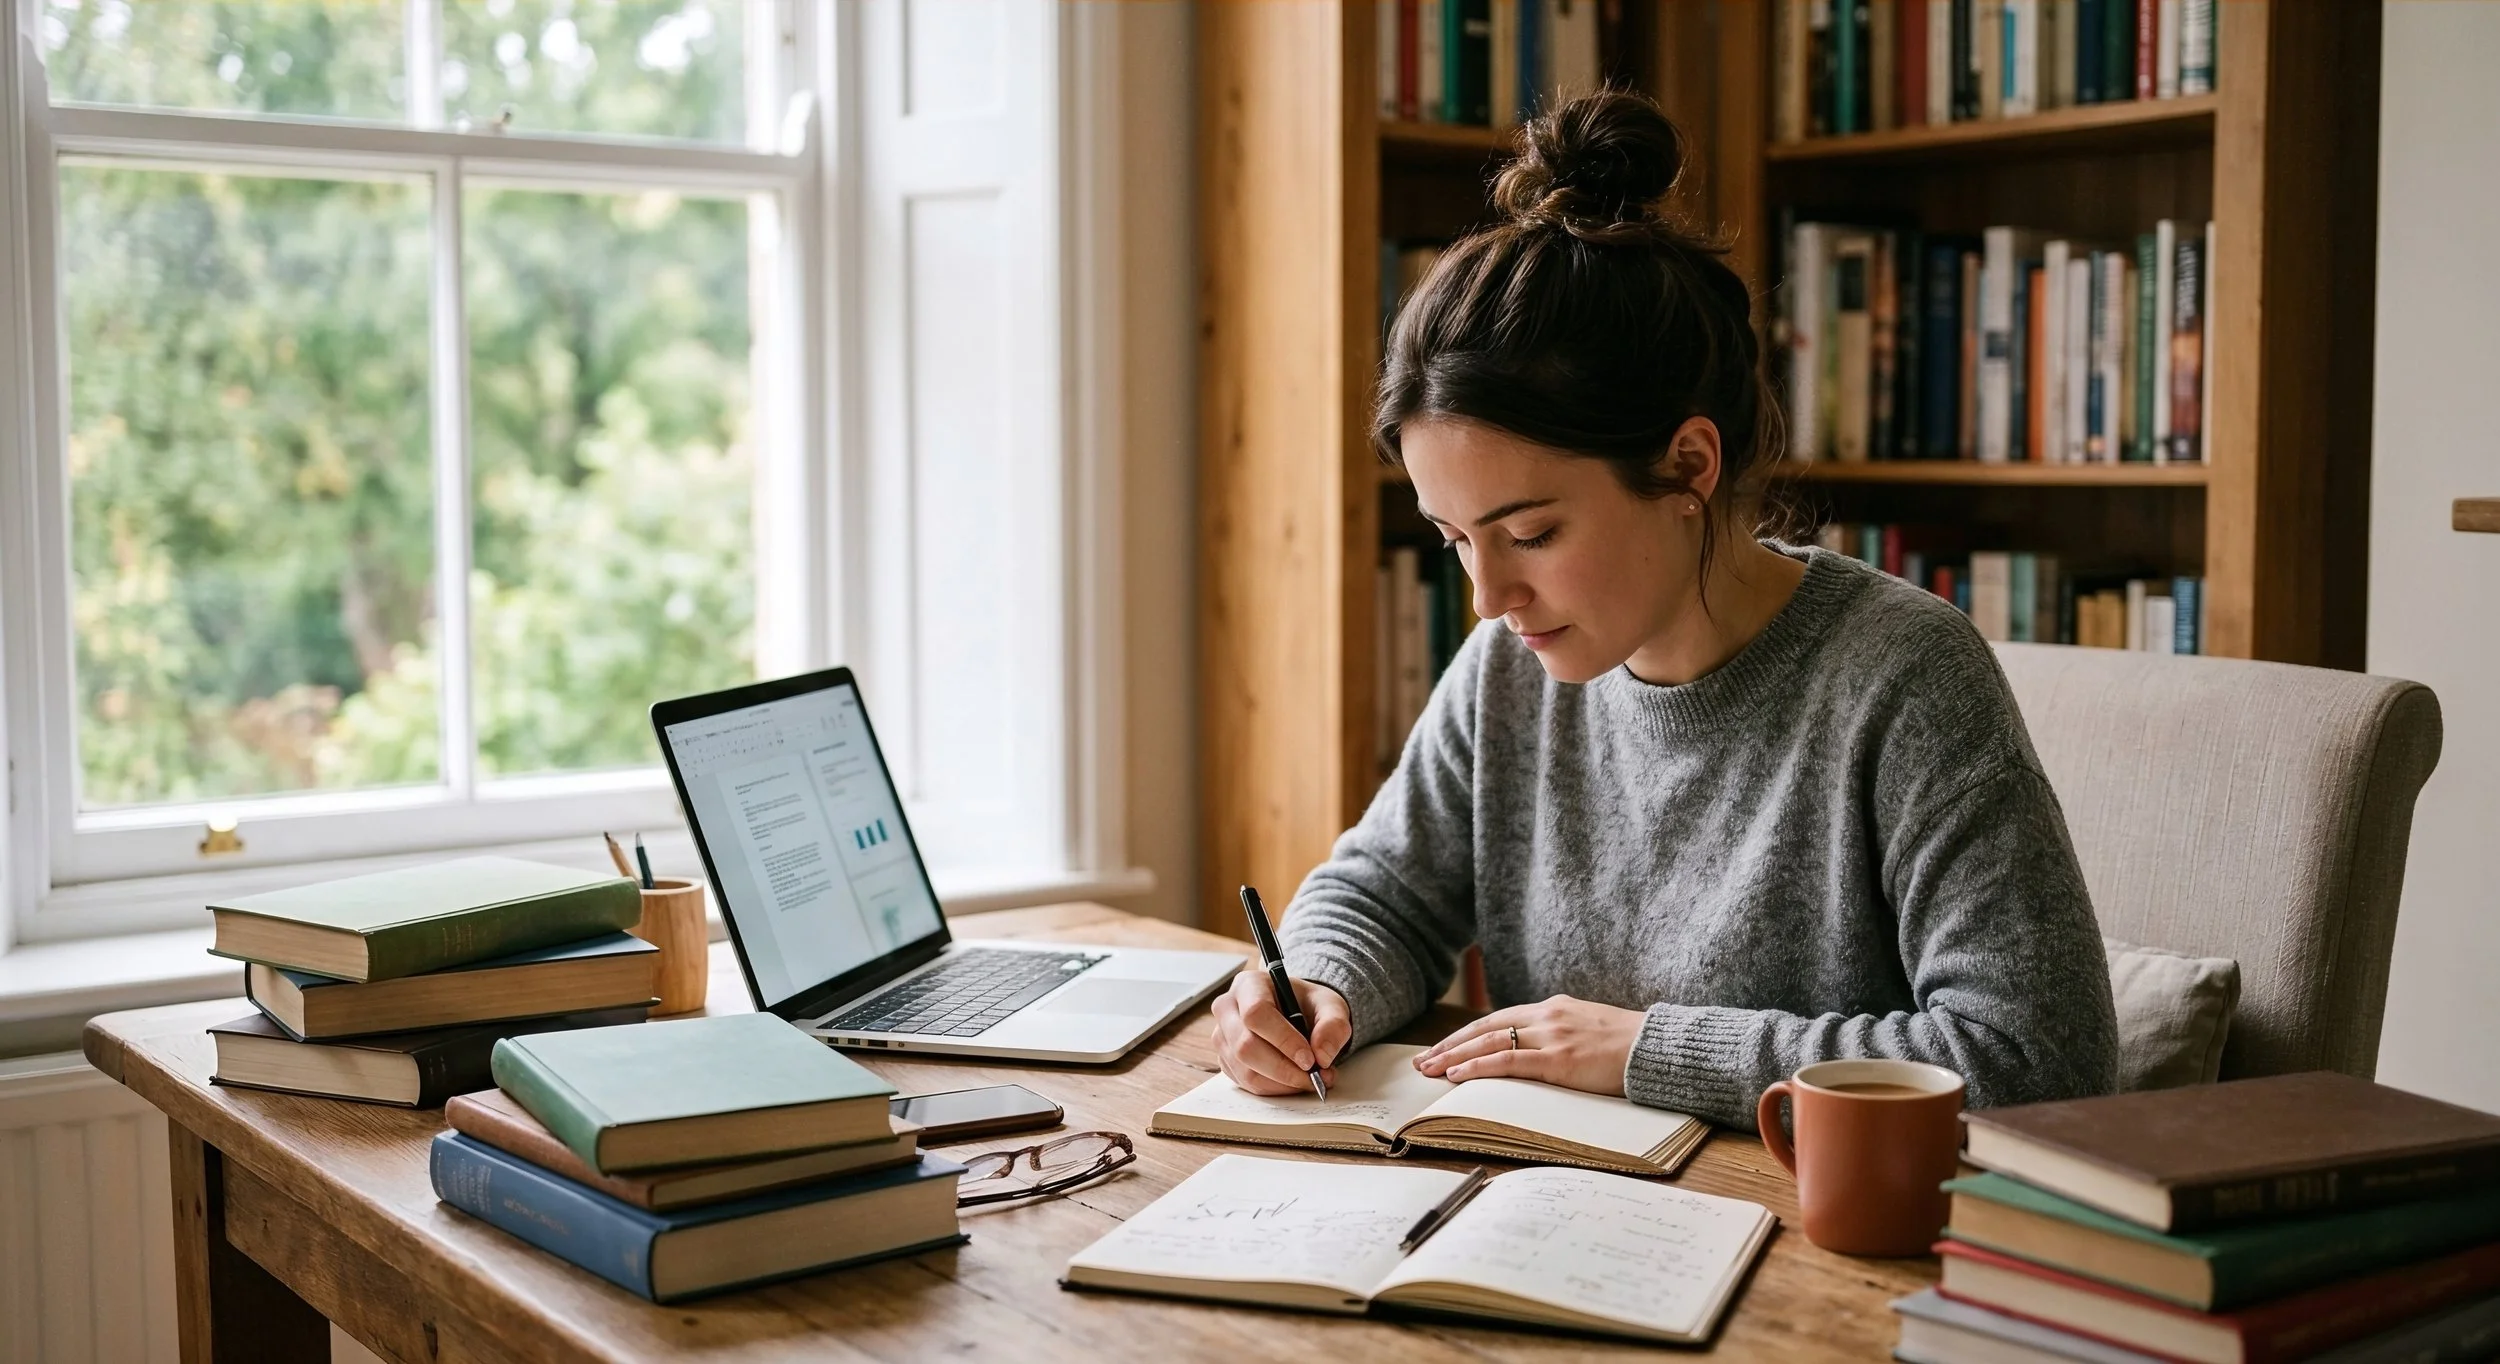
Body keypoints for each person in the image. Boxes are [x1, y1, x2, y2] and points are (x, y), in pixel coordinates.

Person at [1207, 90, 2117, 1131]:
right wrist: (1314, 986)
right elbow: (1383, 893)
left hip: (1813, 1246)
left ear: (1687, 463)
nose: (1488, 596)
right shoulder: (1509, 669)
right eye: (1454, 538)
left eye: (1532, 534)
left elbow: (2037, 1057)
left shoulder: (1904, 675)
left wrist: (1648, 1048)